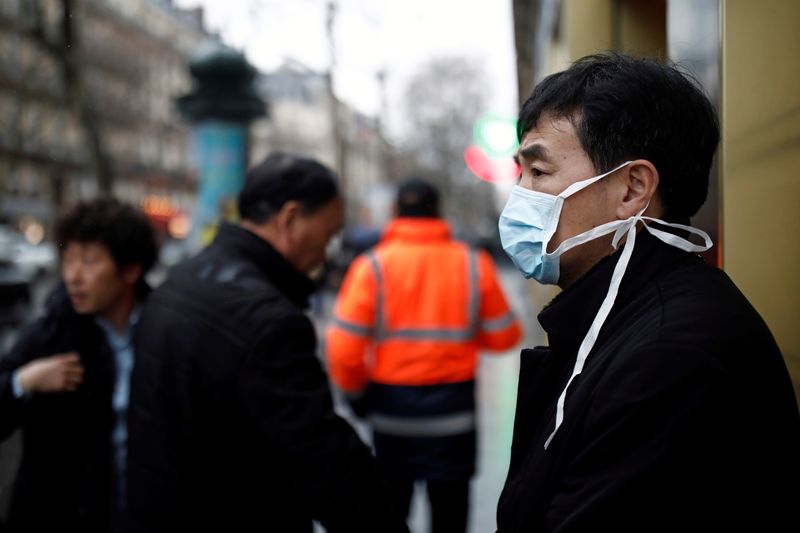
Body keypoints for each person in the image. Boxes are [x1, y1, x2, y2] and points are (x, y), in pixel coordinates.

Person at [495, 52, 800, 532]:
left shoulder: (670, 358)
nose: (521, 195)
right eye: (521, 174)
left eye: (538, 173)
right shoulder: (630, 317)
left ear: (632, 189)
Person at [127, 153, 408, 533]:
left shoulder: (178, 282)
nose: (326, 252)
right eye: (327, 234)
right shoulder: (270, 322)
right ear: (290, 219)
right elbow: (323, 461)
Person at [326, 178, 522, 533]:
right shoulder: (472, 264)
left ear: (397, 213)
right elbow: (505, 337)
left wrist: (356, 397)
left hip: (391, 414)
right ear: (437, 212)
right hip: (454, 414)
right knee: (450, 514)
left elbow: (343, 349)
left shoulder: (371, 267)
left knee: (390, 510)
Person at [0, 197, 158, 532]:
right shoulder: (51, 334)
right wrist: (23, 383)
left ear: (131, 269)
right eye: (68, 259)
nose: (73, 276)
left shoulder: (167, 333)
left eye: (89, 261)